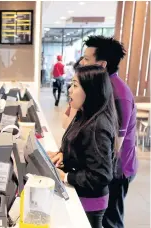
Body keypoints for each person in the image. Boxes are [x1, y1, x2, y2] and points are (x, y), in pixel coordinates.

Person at [63, 36, 137, 228]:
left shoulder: (119, 96)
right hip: (102, 166)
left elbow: (112, 146)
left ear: (102, 64)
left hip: (117, 169)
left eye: (87, 59)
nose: (81, 62)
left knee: (111, 221)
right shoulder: (95, 88)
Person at [49, 65, 118, 228]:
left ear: (90, 91)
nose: (70, 90)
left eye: (75, 85)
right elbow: (78, 145)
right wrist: (62, 154)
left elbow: (101, 176)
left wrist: (65, 177)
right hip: (81, 193)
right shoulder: (83, 113)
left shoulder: (98, 126)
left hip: (90, 202)